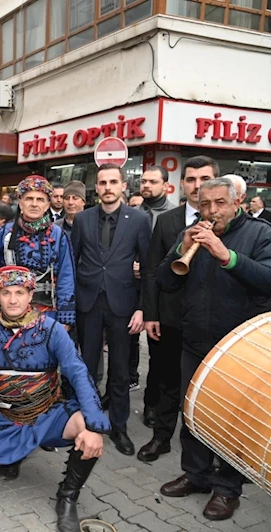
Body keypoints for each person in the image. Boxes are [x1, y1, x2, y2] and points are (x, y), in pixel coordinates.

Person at [0, 266, 109, 532]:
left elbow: (77, 372)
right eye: (6, 293)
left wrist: (96, 425)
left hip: (47, 415)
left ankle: (67, 497)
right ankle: (10, 456)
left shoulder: (51, 329)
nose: (13, 300)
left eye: (19, 292)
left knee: (86, 430)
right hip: (6, 415)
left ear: (31, 295)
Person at [157, 177, 271, 521]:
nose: (211, 211)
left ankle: (227, 488)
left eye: (220, 203)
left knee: (233, 418)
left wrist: (227, 256)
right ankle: (196, 474)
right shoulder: (188, 232)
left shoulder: (260, 233)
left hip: (239, 347)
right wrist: (182, 249)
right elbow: (164, 280)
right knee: (192, 411)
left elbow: (267, 279)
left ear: (237, 202)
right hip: (195, 338)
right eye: (205, 204)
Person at [71, 163, 151, 457]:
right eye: (102, 182)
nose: (107, 187)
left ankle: (118, 426)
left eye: (112, 182)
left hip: (123, 305)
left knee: (119, 370)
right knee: (87, 368)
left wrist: (142, 308)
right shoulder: (82, 219)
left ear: (122, 186)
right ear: (97, 187)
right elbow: (72, 262)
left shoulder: (139, 220)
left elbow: (149, 268)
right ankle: (88, 422)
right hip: (88, 304)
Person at [138, 155, 213, 463]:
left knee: (206, 390)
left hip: (210, 321)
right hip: (169, 318)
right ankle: (161, 438)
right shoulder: (168, 221)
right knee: (168, 381)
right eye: (191, 179)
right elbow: (152, 270)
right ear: (181, 184)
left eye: (204, 179)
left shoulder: (227, 220)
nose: (197, 186)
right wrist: (151, 314)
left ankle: (208, 449)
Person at [0, 175, 75, 329]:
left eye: (40, 200)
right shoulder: (5, 233)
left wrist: (65, 318)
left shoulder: (58, 235)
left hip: (49, 312)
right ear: (20, 202)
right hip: (10, 312)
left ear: (47, 205)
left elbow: (66, 276)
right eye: (29, 198)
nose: (34, 204)